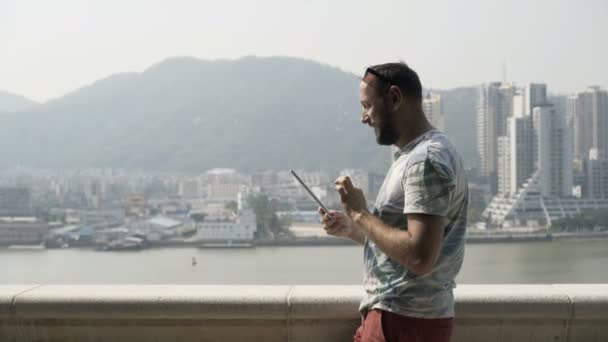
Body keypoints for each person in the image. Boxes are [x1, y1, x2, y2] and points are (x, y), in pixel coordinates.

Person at [319, 62, 468, 342]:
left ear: (395, 98)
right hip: (403, 318)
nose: (364, 117)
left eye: (367, 106)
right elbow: (405, 244)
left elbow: (419, 256)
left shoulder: (425, 161)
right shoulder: (417, 156)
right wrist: (351, 228)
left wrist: (361, 213)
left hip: (402, 320)